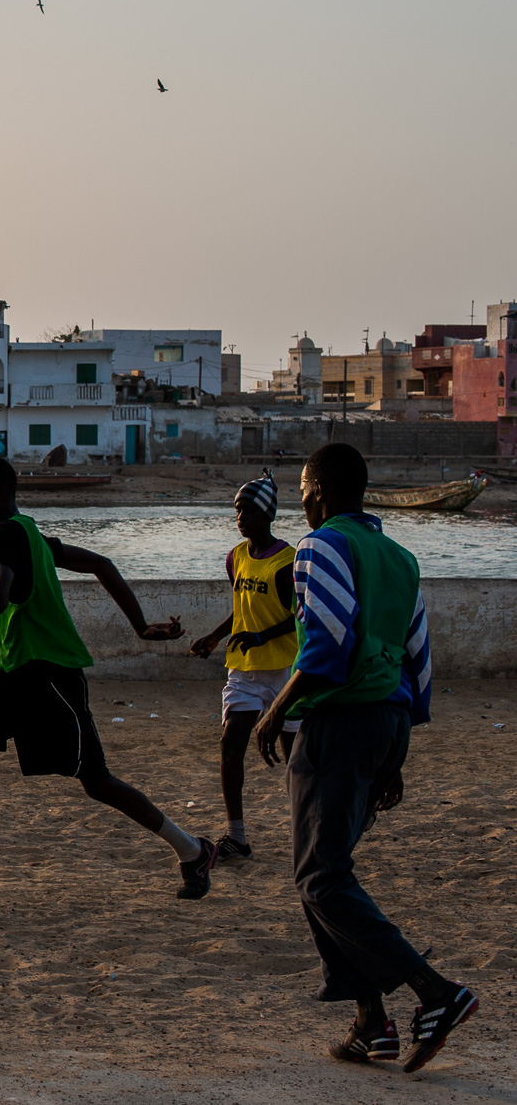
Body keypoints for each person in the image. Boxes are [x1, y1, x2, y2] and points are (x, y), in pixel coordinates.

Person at [0, 456, 216, 901]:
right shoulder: (35, 537)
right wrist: (140, 626)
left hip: (52, 679)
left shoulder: (7, 533)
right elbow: (102, 564)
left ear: (3, 495)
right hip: (13, 676)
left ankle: (192, 849)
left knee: (97, 781)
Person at [256, 443, 470, 1070]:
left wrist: (275, 712)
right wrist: (396, 752)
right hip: (387, 721)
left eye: (301, 486)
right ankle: (369, 1021)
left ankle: (435, 992)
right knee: (320, 871)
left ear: (318, 489)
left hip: (338, 722)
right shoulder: (400, 557)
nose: (299, 498)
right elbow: (418, 655)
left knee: (320, 877)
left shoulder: (318, 548)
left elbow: (324, 643)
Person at [187, 472, 297, 860]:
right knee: (231, 745)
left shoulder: (288, 562)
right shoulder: (236, 558)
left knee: (294, 757)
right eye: (237, 510)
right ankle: (237, 836)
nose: (241, 517)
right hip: (244, 670)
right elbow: (242, 610)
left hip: (285, 672)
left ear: (268, 514)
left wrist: (262, 636)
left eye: (248, 509)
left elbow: (297, 617)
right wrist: (215, 637)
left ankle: (306, 829)